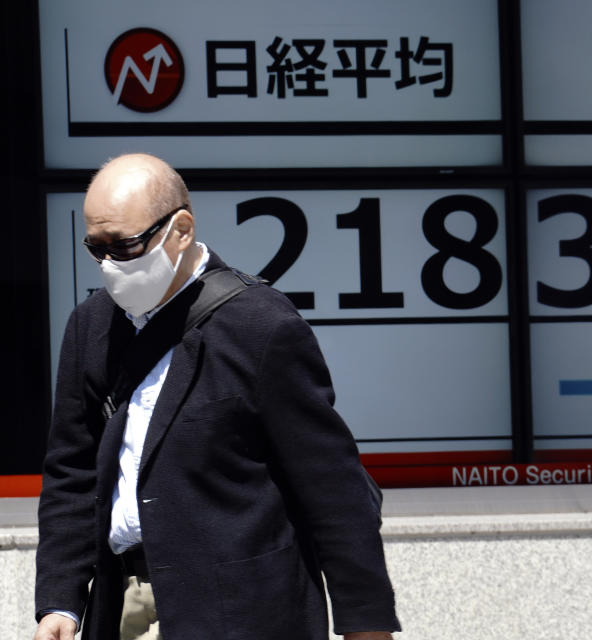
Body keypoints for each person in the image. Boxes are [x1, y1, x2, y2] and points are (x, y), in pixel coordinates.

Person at [34, 153, 400, 640]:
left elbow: (332, 489)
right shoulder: (91, 326)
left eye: (123, 246)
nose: (108, 264)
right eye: (95, 248)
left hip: (244, 609)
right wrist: (61, 600)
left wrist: (366, 623)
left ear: (180, 230)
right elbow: (72, 471)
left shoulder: (261, 327)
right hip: (124, 604)